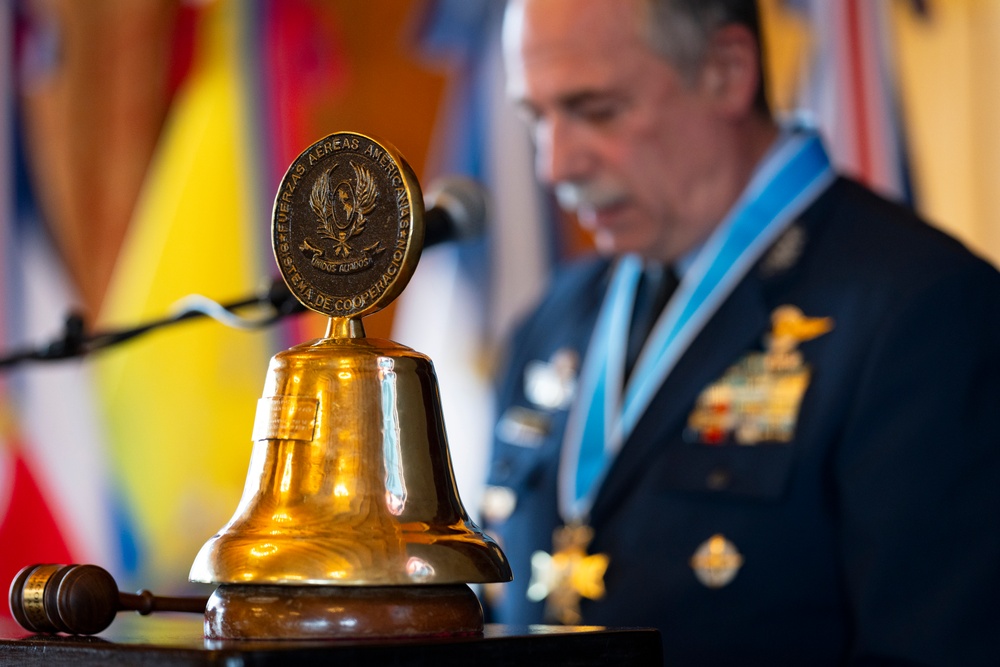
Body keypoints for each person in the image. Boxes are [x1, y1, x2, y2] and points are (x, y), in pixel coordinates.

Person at [481, 0, 1000, 664]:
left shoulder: (919, 309)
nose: (555, 166)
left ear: (727, 71)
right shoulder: (552, 319)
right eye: (535, 117)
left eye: (596, 110)